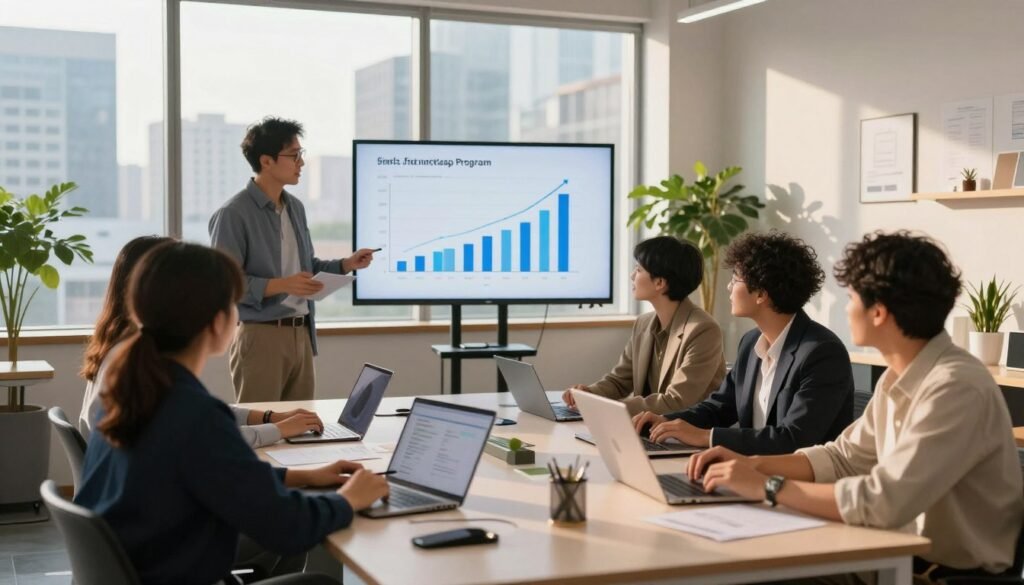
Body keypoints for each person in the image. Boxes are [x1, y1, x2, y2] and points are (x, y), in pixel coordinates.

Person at [688, 231, 1023, 584]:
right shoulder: (899, 377)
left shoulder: (955, 387)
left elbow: (883, 501)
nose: (845, 309)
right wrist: (749, 464)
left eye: (850, 298)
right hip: (890, 555)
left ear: (878, 312)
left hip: (938, 575)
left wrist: (768, 486)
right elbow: (842, 458)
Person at [75, 242, 389, 585]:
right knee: (319, 582)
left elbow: (222, 474)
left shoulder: (128, 391)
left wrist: (306, 477)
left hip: (145, 565)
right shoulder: (192, 414)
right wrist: (348, 500)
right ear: (216, 322)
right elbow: (287, 527)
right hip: (174, 571)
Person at [79, 235, 324, 448]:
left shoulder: (134, 352)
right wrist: (279, 429)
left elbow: (203, 416)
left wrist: (271, 418)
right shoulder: (140, 365)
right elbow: (208, 437)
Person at [633, 231, 853, 454]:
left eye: (735, 278)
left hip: (801, 483)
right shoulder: (751, 344)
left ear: (760, 294)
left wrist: (706, 437)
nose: (729, 287)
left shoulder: (822, 353)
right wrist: (664, 421)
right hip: (750, 471)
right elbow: (718, 408)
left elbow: (794, 438)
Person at [209, 116, 377, 402]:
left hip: (301, 333)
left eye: (301, 154)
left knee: (302, 431)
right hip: (261, 336)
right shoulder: (233, 214)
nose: (301, 162)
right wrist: (283, 285)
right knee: (261, 429)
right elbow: (226, 286)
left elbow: (307, 269)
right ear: (266, 161)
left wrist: (347, 264)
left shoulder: (295, 208)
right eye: (294, 155)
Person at [563, 236, 726, 415]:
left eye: (639, 270)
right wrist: (589, 394)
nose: (632, 275)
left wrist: (609, 408)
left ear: (660, 283)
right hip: (646, 430)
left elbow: (677, 401)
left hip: (684, 436)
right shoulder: (644, 323)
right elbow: (619, 381)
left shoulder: (703, 330)